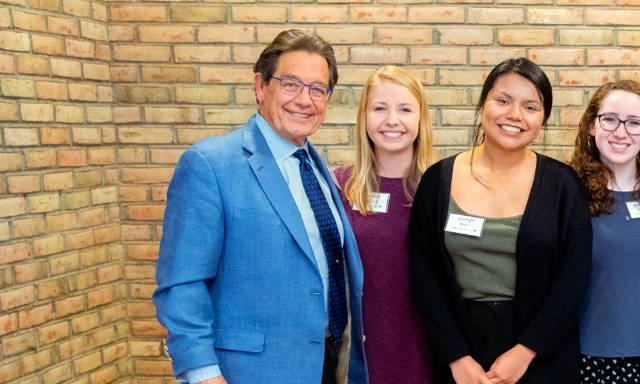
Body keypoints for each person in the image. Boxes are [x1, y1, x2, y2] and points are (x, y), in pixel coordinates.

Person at [152, 29, 368, 384]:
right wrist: (203, 374)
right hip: (249, 373)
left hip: (327, 367)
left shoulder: (317, 169)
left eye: (318, 89)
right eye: (291, 84)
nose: (304, 99)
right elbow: (181, 285)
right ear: (260, 86)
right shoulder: (210, 164)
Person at [407, 58, 591, 384]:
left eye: (530, 106)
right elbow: (425, 274)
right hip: (461, 356)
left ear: (543, 118)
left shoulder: (562, 184)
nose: (514, 115)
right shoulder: (438, 180)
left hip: (542, 357)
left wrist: (526, 350)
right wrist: (456, 356)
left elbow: (574, 277)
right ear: (483, 103)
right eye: (503, 100)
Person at [569, 80, 640, 383]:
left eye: (634, 123)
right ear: (592, 126)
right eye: (609, 119)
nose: (621, 132)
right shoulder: (568, 195)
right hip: (590, 360)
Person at [334, 65, 436, 384]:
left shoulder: (443, 185)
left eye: (405, 109)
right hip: (361, 355)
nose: (392, 120)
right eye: (380, 108)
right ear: (364, 116)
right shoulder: (338, 186)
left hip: (427, 352)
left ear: (421, 118)